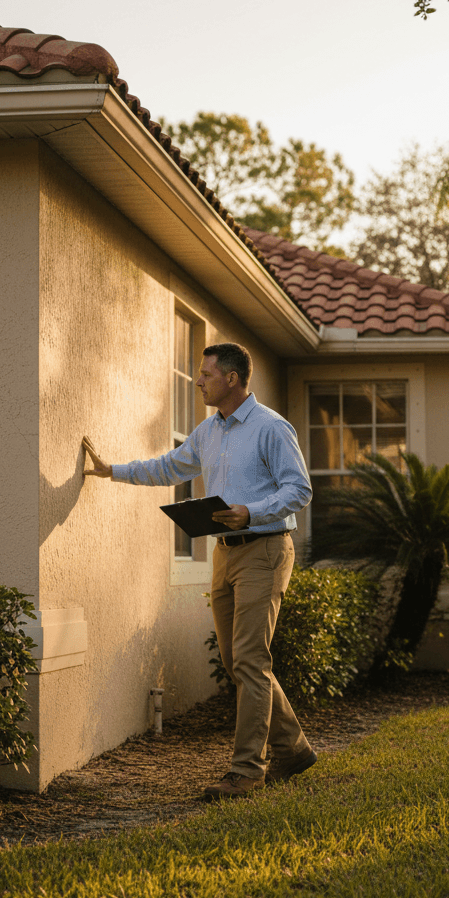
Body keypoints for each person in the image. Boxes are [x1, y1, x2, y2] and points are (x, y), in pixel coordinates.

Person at [83, 342, 317, 800]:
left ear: (232, 378)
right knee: (237, 661)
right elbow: (170, 467)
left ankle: (247, 771)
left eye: (206, 374)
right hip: (225, 553)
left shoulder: (271, 427)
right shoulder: (209, 431)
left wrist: (250, 512)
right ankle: (293, 750)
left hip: (265, 549)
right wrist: (112, 470)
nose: (198, 381)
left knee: (250, 661)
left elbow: (299, 488)